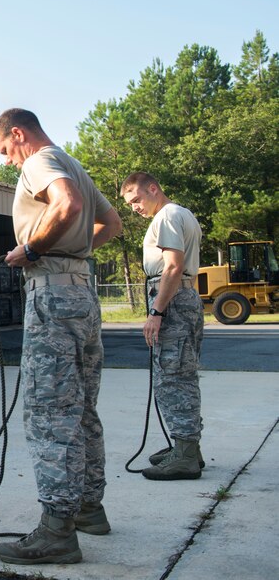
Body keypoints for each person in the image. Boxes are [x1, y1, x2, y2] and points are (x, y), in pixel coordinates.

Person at [0, 109, 122, 565]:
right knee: (81, 408)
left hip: (52, 296)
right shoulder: (73, 163)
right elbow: (113, 223)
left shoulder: (39, 161)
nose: (7, 161)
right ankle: (88, 508)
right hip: (82, 294)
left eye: (5, 150)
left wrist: (33, 249)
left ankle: (57, 530)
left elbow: (68, 206)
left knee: (50, 412)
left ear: (18, 134)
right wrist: (75, 253)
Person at [121, 172, 205, 481]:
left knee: (173, 378)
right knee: (180, 373)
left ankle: (185, 453)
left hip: (172, 300)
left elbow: (172, 266)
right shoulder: (182, 214)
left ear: (153, 188)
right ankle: (188, 448)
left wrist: (156, 311)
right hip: (182, 298)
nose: (135, 208)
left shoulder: (168, 215)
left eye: (137, 199)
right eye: (130, 204)